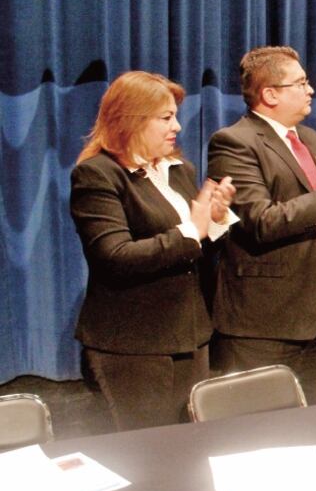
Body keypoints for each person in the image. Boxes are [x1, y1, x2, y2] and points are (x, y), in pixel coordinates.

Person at [207, 46, 316, 394]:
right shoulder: (234, 143)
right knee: (263, 431)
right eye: (301, 83)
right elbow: (260, 222)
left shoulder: (313, 140)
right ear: (270, 94)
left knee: (310, 425)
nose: (311, 90)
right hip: (265, 322)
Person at [70, 71, 236, 430]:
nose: (177, 126)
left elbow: (194, 250)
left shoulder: (178, 170)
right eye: (165, 117)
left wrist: (215, 220)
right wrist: (192, 229)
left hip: (190, 335)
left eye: (175, 115)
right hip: (134, 345)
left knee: (190, 444)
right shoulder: (97, 174)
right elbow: (114, 257)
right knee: (145, 451)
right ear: (130, 120)